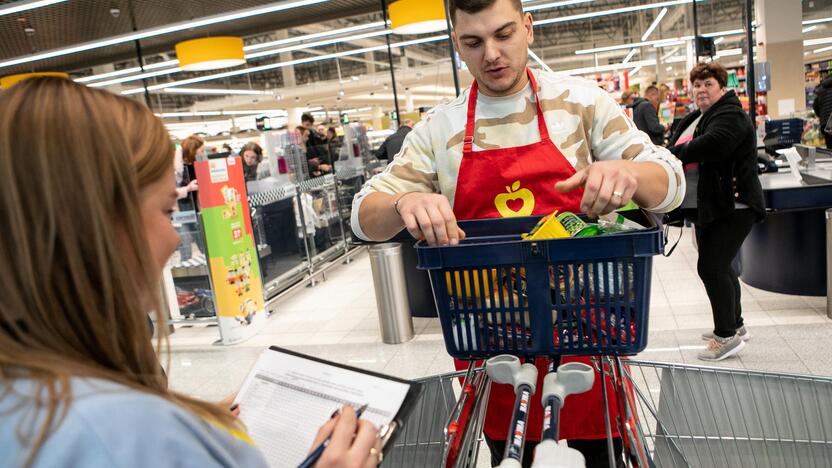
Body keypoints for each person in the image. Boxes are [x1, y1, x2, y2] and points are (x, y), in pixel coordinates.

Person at [351, 0, 684, 466]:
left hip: (591, 338)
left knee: (600, 454)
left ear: (528, 28)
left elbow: (671, 181)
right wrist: (404, 202)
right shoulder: (437, 130)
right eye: (473, 42)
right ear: (456, 46)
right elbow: (363, 215)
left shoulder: (582, 103)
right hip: (493, 355)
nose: (491, 53)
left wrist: (631, 174)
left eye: (504, 34)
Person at [0, 77, 381, 468]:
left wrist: (186, 421)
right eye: (166, 210)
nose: (172, 237)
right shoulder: (129, 435)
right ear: (95, 224)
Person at [668, 62, 765, 362]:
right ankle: (735, 324)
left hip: (733, 205)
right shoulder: (702, 115)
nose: (701, 90)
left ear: (722, 87)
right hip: (713, 206)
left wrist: (674, 153)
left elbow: (714, 144)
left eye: (707, 84)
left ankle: (726, 337)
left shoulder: (731, 113)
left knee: (712, 267)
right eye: (696, 85)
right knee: (721, 266)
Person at [176, 135, 205, 261]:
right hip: (180, 213)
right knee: (185, 246)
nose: (203, 153)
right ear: (193, 150)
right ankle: (186, 278)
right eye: (201, 150)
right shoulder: (175, 169)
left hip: (196, 210)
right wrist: (187, 189)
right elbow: (167, 193)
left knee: (204, 244)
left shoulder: (197, 165)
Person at [813, 75, 832, 148]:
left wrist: (821, 116)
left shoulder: (821, 90)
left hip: (826, 123)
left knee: (830, 147)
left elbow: (815, 107)